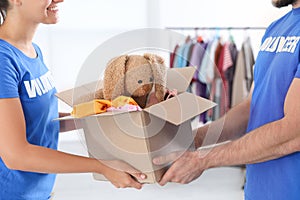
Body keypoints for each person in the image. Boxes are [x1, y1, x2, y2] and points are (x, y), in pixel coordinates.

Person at [153, 0, 300, 199]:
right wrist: (193, 140)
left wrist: (202, 160)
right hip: (259, 191)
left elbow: (294, 132)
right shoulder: (275, 29)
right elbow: (251, 108)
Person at [0, 0, 146, 199]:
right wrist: (102, 166)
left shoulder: (33, 51)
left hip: (38, 194)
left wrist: (106, 114)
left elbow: (40, 123)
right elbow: (16, 155)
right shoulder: (3, 59)